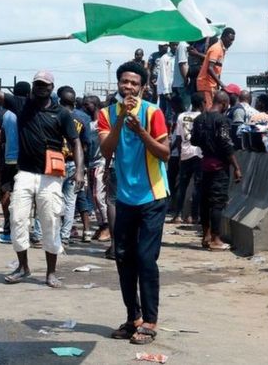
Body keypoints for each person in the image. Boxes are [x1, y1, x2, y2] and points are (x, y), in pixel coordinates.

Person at [0, 49, 83, 288]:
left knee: (50, 222)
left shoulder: (62, 114)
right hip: (26, 174)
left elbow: (75, 142)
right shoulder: (22, 105)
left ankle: (50, 272)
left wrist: (80, 170)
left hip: (51, 177)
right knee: (18, 219)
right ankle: (23, 267)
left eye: (45, 85)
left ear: (51, 88)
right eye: (37, 84)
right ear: (33, 87)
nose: (40, 87)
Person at [99, 61, 170, 346]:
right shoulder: (106, 114)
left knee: (145, 258)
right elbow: (106, 149)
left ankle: (150, 320)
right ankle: (134, 318)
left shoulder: (153, 112)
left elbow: (164, 154)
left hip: (153, 195)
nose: (128, 86)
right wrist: (120, 120)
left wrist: (141, 131)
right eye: (124, 81)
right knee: (123, 258)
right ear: (118, 84)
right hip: (126, 198)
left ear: (142, 86)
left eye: (133, 82)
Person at [191, 91, 242, 251]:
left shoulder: (199, 119)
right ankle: (216, 239)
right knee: (217, 203)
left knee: (204, 202)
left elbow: (193, 140)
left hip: (204, 164)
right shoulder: (223, 120)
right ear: (225, 104)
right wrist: (237, 167)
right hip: (219, 167)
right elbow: (226, 144)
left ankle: (206, 236)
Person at [0, 81, 30, 244]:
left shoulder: (6, 114)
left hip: (9, 158)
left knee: (7, 192)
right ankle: (23, 230)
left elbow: (2, 139)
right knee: (27, 195)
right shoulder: (29, 112)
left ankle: (8, 228)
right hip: (26, 160)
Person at [56, 86, 90, 244]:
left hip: (54, 162)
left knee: (50, 199)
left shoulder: (54, 113)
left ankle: (42, 234)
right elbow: (85, 145)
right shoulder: (83, 118)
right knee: (70, 202)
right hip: (74, 163)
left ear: (59, 99)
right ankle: (64, 236)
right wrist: (81, 168)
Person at [170, 93, 204, 225]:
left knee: (182, 186)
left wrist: (179, 155)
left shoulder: (182, 116)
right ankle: (193, 216)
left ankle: (177, 215)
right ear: (201, 104)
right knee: (197, 186)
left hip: (185, 153)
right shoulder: (202, 117)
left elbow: (178, 138)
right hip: (199, 154)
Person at [82, 95, 111, 243]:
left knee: (99, 196)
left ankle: (107, 225)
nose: (84, 107)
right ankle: (101, 224)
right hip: (92, 163)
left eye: (87, 105)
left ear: (95, 105)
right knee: (93, 197)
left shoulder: (101, 122)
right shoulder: (90, 123)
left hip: (101, 162)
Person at [196, 28, 236, 110]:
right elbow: (210, 68)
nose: (231, 43)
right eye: (230, 40)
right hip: (206, 84)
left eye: (233, 41)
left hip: (211, 84)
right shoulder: (216, 48)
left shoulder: (222, 49)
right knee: (208, 110)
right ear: (224, 37)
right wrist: (221, 84)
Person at [154, 45, 174, 114]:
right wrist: (166, 90)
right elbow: (164, 75)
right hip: (164, 90)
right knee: (163, 112)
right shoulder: (164, 58)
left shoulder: (176, 56)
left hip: (173, 88)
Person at [169, 42, 189, 109]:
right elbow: (182, 64)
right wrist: (186, 80)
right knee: (186, 109)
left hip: (182, 84)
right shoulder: (183, 45)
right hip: (182, 84)